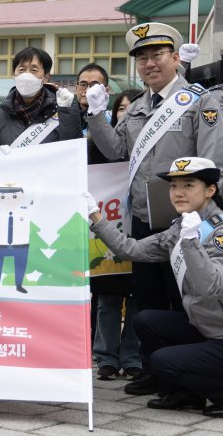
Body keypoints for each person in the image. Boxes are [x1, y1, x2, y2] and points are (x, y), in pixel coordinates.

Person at [85, 23, 223, 393]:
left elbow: (211, 163)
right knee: (146, 297)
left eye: (156, 56)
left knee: (184, 296)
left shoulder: (200, 100)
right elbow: (116, 150)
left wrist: (200, 213)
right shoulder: (137, 109)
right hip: (145, 219)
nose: (149, 64)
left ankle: (186, 373)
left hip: (188, 222)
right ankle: (152, 370)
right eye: (142, 58)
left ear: (175, 59)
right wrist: (97, 115)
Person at [86, 157, 223, 417]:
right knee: (147, 320)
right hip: (207, 326)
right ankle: (188, 395)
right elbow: (133, 249)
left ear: (210, 190)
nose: (178, 192)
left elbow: (210, 288)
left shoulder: (217, 232)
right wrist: (95, 216)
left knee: (162, 362)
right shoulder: (182, 226)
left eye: (189, 185)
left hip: (219, 334)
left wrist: (192, 243)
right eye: (173, 186)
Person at [90, 89, 143, 381]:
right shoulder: (98, 146)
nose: (125, 114)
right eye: (121, 109)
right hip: (107, 231)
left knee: (137, 297)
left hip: (139, 230)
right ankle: (106, 357)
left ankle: (133, 357)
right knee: (108, 299)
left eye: (131, 109)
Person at [0, 47, 81, 148]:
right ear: (14, 75)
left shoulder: (61, 113)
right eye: (21, 70)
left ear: (45, 77)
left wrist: (67, 112)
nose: (26, 76)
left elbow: (73, 151)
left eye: (34, 70)